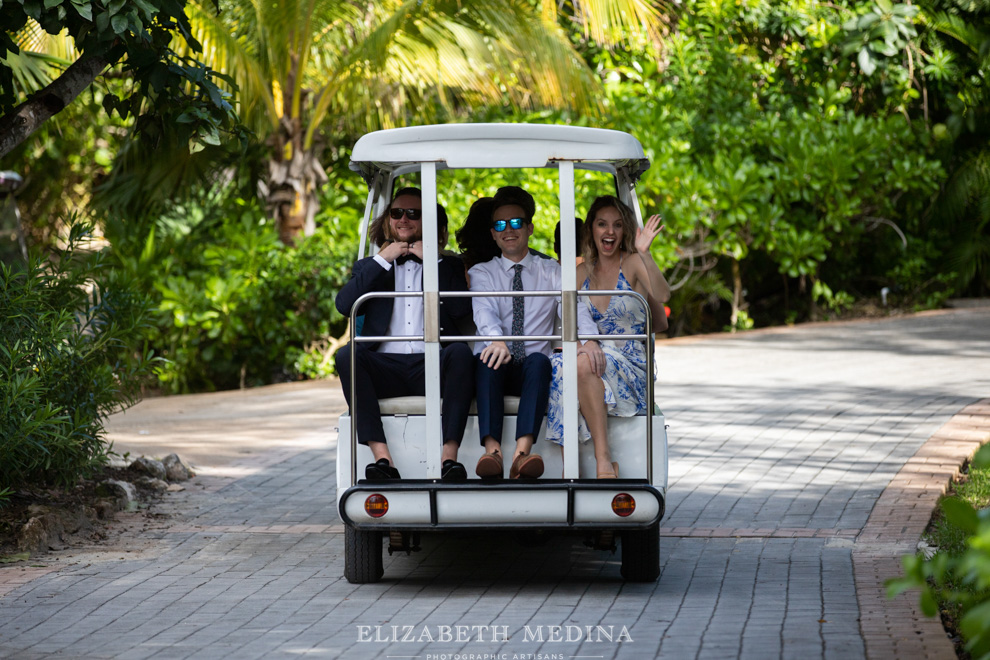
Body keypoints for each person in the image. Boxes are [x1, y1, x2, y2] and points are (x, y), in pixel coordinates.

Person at [334, 187, 475, 482]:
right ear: (388, 219)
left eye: (414, 213)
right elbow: (344, 306)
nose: (404, 219)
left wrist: (434, 263)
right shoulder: (370, 267)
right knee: (347, 355)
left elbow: (463, 311)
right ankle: (383, 459)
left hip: (432, 364)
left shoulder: (447, 265)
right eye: (397, 213)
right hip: (386, 365)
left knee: (461, 352)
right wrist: (383, 259)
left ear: (430, 222)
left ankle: (449, 458)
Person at [469, 186, 599, 480]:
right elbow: (484, 310)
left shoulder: (550, 270)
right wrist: (497, 339)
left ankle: (521, 454)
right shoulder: (482, 272)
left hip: (532, 366)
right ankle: (492, 452)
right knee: (488, 358)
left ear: (529, 228)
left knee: (541, 361)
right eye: (500, 225)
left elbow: (572, 307)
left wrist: (589, 340)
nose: (508, 230)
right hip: (497, 357)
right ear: (493, 234)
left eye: (516, 222)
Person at [545, 195, 671, 478]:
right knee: (560, 365)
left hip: (630, 365)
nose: (609, 232)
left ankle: (603, 460)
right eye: (602, 224)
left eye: (616, 225)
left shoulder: (634, 262)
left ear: (625, 230)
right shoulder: (581, 273)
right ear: (592, 230)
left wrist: (646, 253)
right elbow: (568, 320)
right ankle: (573, 466)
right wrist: (581, 346)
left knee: (580, 364)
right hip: (593, 358)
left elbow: (663, 296)